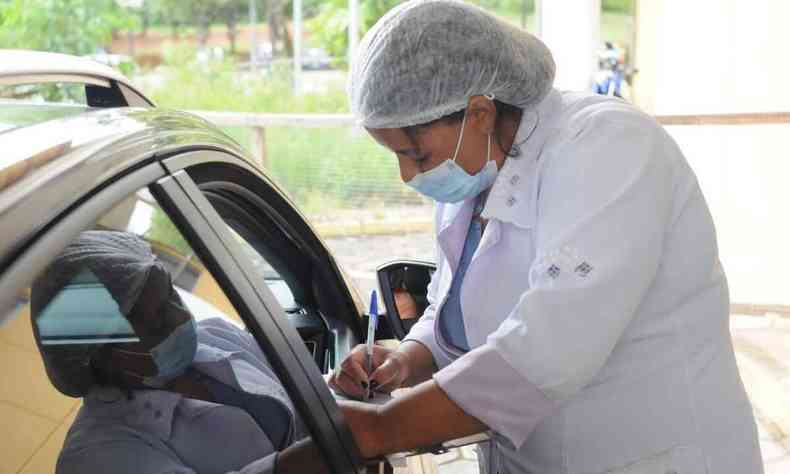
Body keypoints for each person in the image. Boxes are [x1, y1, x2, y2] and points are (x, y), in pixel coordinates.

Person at [328, 1, 763, 473]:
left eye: (415, 153)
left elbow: (548, 347)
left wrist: (379, 429)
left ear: (478, 113)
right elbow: (456, 307)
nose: (407, 175)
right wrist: (409, 358)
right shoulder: (473, 168)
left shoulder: (607, 146)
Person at [31, 230, 328, 474]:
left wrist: (342, 384)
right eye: (158, 319)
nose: (180, 318)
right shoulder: (93, 457)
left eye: (171, 293)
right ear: (101, 354)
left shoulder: (216, 335)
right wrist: (317, 455)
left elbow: (301, 406)